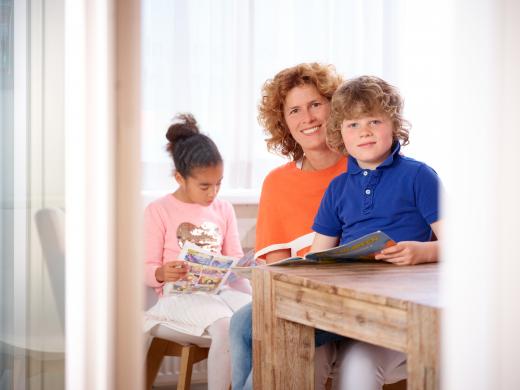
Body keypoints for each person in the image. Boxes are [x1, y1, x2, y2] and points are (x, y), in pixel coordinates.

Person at [311, 75, 441, 389]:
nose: (364, 131)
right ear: (339, 132)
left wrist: (423, 251)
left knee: (358, 364)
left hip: (399, 313)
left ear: (394, 125)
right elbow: (316, 258)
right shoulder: (337, 187)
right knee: (303, 354)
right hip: (342, 310)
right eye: (352, 124)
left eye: (374, 121)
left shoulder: (419, 176)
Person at [229, 63, 347, 390]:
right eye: (294, 110)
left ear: (335, 107)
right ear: (284, 122)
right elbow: (277, 265)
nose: (306, 118)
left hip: (347, 297)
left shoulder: (362, 167)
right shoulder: (278, 182)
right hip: (298, 296)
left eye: (315, 104)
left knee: (250, 324)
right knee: (241, 322)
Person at [144, 113, 251, 390]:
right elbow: (146, 268)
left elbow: (235, 258)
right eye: (205, 185)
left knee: (257, 316)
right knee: (227, 326)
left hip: (218, 292)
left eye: (219, 183)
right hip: (178, 295)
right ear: (180, 178)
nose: (213, 192)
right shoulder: (159, 210)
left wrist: (247, 270)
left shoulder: (224, 209)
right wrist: (160, 272)